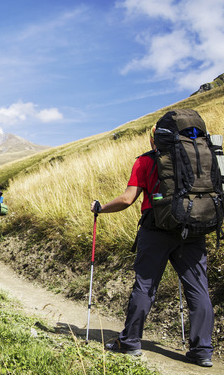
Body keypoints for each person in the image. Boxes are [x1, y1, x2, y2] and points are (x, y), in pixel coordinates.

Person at [90, 126, 215, 368]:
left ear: (153, 139)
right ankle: (202, 351)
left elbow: (128, 199)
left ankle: (130, 342)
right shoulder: (201, 156)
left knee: (145, 285)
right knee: (199, 289)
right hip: (194, 230)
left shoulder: (146, 161)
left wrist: (101, 208)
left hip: (155, 230)